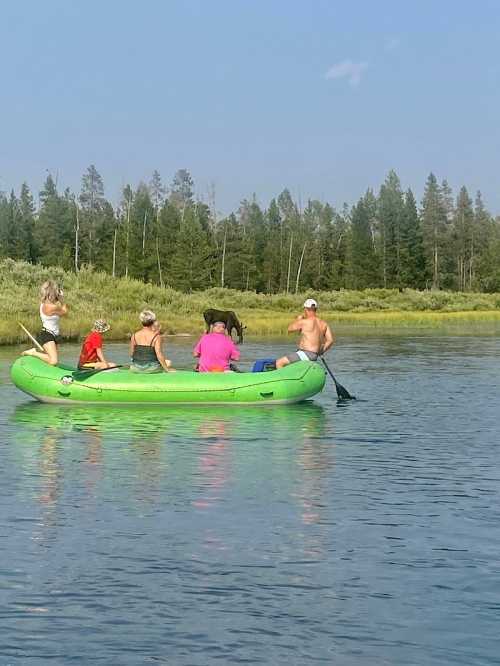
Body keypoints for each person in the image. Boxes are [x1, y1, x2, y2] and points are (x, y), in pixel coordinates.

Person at [275, 298, 334, 369]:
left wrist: (298, 319)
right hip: (314, 355)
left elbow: (290, 329)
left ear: (306, 309)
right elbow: (330, 340)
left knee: (279, 363)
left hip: (305, 353)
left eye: (304, 309)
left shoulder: (304, 322)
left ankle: (283, 379)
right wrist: (321, 351)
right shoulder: (324, 324)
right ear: (315, 309)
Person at [22, 280, 68, 366]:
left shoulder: (44, 303)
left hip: (54, 335)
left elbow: (59, 310)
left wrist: (57, 298)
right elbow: (65, 312)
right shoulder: (51, 307)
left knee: (51, 360)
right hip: (47, 335)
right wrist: (62, 300)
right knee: (53, 361)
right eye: (56, 292)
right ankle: (33, 352)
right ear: (52, 293)